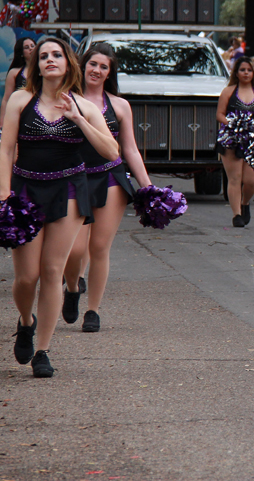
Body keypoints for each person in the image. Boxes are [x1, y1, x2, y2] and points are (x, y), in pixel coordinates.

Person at [2, 37, 119, 377]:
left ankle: (42, 350)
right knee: (27, 277)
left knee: (53, 271)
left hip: (68, 189)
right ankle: (26, 321)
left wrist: (79, 119)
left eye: (56, 55)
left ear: (68, 63)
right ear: (36, 66)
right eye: (43, 56)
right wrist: (3, 195)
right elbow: (6, 149)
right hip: (25, 190)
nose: (49, 60)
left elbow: (111, 152)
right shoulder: (21, 100)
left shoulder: (85, 106)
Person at [61, 43, 153, 333]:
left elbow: (130, 150)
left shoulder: (120, 105)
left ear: (109, 72)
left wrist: (148, 188)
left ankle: (93, 310)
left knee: (99, 247)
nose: (97, 70)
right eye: (93, 64)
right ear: (82, 65)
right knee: (74, 250)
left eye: (104, 67)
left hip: (110, 178)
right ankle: (73, 287)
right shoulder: (66, 99)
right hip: (74, 180)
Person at [215, 56, 254, 227]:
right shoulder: (228, 92)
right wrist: (234, 124)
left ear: (253, 72)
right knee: (234, 178)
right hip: (232, 140)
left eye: (249, 70)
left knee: (251, 181)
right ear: (236, 72)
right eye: (242, 70)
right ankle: (236, 214)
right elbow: (220, 114)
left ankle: (245, 203)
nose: (246, 73)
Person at [1, 36, 36, 124]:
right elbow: (6, 99)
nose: (31, 49)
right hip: (20, 115)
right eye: (26, 47)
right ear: (21, 53)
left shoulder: (45, 71)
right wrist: (2, 122)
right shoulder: (14, 73)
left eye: (33, 46)